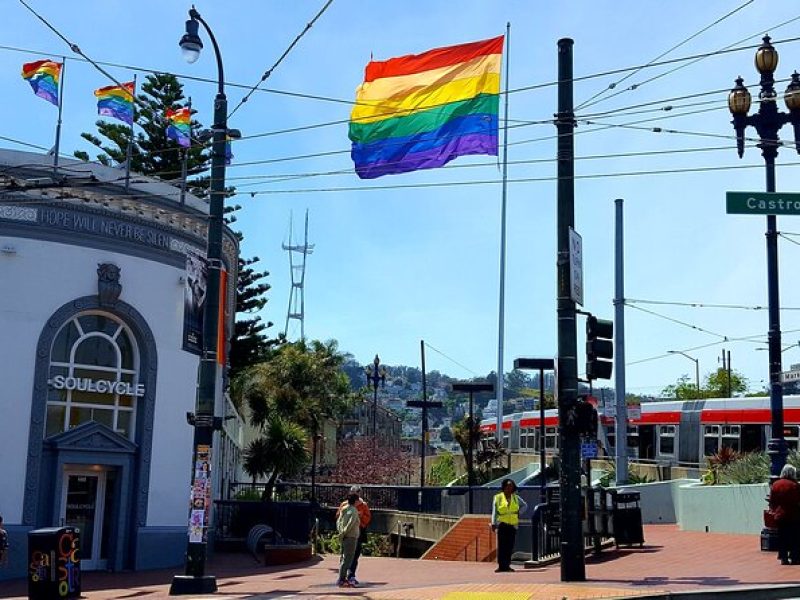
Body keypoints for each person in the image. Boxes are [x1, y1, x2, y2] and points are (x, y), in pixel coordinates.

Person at [336, 485, 371, 585]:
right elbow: (339, 517)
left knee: (355, 555)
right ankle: (342, 576)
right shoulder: (344, 505)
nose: (356, 495)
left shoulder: (363, 505)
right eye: (354, 492)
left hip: (358, 532)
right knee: (345, 555)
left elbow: (367, 518)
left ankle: (351, 575)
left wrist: (360, 519)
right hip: (348, 534)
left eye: (358, 492)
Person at [491, 479, 527, 572]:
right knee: (502, 545)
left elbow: (525, 505)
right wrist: (493, 523)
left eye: (511, 486)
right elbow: (495, 511)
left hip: (512, 524)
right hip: (502, 524)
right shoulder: (498, 497)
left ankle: (507, 565)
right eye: (507, 486)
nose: (509, 488)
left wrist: (519, 512)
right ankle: (501, 566)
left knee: (509, 546)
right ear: (503, 487)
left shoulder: (515, 497)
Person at [770, 464, 800, 565]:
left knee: (782, 536)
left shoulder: (775, 484)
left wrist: (774, 510)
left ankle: (783, 557)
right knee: (795, 537)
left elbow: (772, 500)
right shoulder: (795, 485)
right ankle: (794, 556)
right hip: (793, 514)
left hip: (780, 515)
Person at [336, 492, 361, 588]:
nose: (359, 501)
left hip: (344, 537)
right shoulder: (354, 510)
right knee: (348, 558)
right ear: (355, 501)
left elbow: (339, 521)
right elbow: (351, 523)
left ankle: (342, 577)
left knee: (343, 557)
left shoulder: (344, 509)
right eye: (358, 500)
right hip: (351, 537)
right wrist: (345, 532)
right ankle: (342, 579)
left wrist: (340, 532)